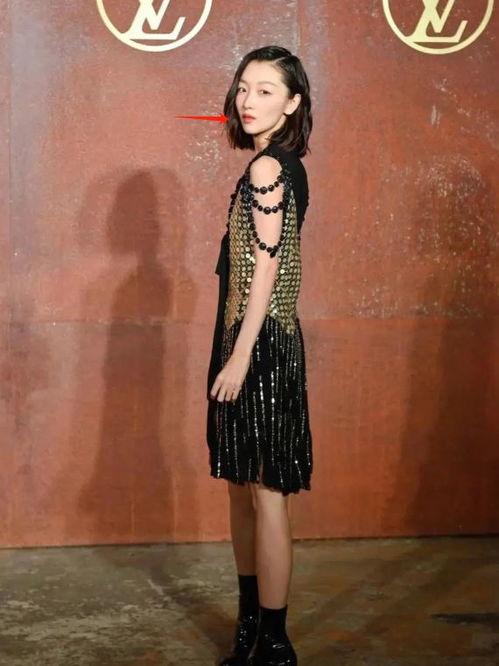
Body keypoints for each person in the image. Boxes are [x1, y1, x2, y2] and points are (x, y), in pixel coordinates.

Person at [206, 45, 314, 666]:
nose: (248, 101)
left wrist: (241, 357)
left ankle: (273, 642)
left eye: (266, 90)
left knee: (266, 492)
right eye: (244, 87)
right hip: (244, 338)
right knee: (241, 487)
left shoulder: (270, 168)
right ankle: (250, 630)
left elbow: (267, 271)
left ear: (292, 103)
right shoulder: (273, 165)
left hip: (261, 343)